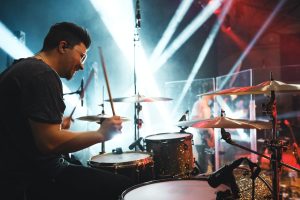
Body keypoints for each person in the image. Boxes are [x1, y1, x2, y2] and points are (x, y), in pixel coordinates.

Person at [0, 22, 133, 200]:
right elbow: (49, 143)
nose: (82, 66)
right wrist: (102, 133)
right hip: (34, 177)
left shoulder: (21, 69)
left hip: (14, 173)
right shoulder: (42, 74)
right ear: (63, 46)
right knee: (125, 188)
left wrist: (56, 124)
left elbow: (20, 128)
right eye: (82, 56)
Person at [190, 95, 215, 174]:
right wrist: (206, 136)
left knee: (211, 164)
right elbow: (194, 120)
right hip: (202, 139)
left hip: (206, 138)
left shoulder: (206, 104)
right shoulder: (199, 104)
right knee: (203, 167)